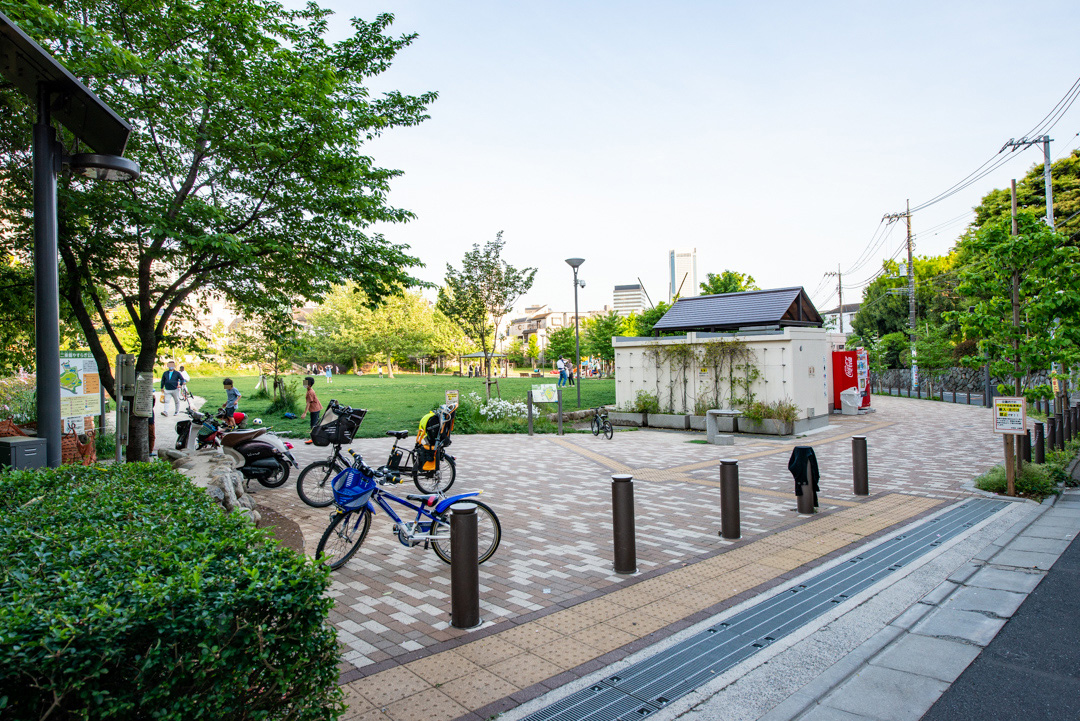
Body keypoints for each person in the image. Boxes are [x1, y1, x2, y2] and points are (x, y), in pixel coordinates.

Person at [303, 376, 322, 444]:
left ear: (309, 385)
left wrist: (304, 413)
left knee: (313, 425)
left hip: (314, 410)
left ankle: (314, 439)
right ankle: (317, 437)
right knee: (316, 424)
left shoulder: (310, 392)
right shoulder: (310, 390)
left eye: (305, 382)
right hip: (317, 408)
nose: (304, 384)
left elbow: (308, 403)